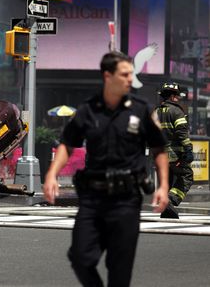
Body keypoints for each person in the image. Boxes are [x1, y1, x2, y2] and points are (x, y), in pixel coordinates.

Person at [43, 51, 169, 287]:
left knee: (119, 271)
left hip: (126, 200)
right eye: (125, 74)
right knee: (80, 257)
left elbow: (159, 149)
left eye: (131, 73)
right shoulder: (88, 110)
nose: (130, 79)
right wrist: (52, 174)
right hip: (93, 199)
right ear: (107, 76)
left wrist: (163, 186)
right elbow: (68, 144)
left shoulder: (141, 109)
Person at [155, 82, 194, 219]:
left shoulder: (155, 112)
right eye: (177, 96)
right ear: (172, 96)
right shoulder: (176, 111)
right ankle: (170, 201)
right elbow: (182, 133)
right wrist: (188, 149)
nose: (178, 98)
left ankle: (167, 210)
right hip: (174, 155)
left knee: (167, 180)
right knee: (186, 176)